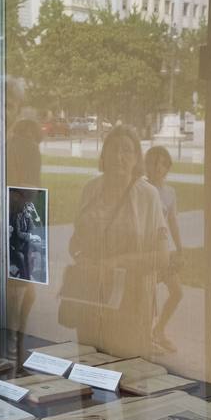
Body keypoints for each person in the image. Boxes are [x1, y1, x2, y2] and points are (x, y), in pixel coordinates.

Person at [65, 125, 172, 358]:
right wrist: (82, 257)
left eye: (127, 150)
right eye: (113, 149)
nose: (119, 156)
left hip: (131, 303)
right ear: (103, 156)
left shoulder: (147, 195)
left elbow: (162, 257)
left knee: (128, 376)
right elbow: (76, 241)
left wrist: (114, 264)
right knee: (89, 370)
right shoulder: (91, 189)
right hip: (91, 297)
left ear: (136, 158)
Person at [143, 146, 185, 351]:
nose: (157, 167)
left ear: (167, 166)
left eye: (162, 163)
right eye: (152, 162)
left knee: (177, 292)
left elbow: (173, 221)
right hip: (145, 251)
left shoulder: (169, 192)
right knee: (147, 294)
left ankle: (158, 330)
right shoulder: (141, 188)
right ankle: (144, 337)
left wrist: (179, 248)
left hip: (164, 251)